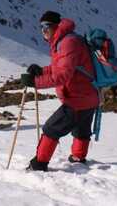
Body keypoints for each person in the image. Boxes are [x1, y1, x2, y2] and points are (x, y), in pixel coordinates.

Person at [21, 11, 100, 171]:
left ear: (57, 25)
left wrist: (35, 82)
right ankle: (78, 157)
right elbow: (61, 66)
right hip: (89, 95)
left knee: (51, 129)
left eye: (47, 26)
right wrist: (41, 71)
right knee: (81, 128)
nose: (43, 30)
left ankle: (39, 164)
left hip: (78, 97)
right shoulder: (67, 40)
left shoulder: (67, 42)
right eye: (41, 26)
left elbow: (63, 75)